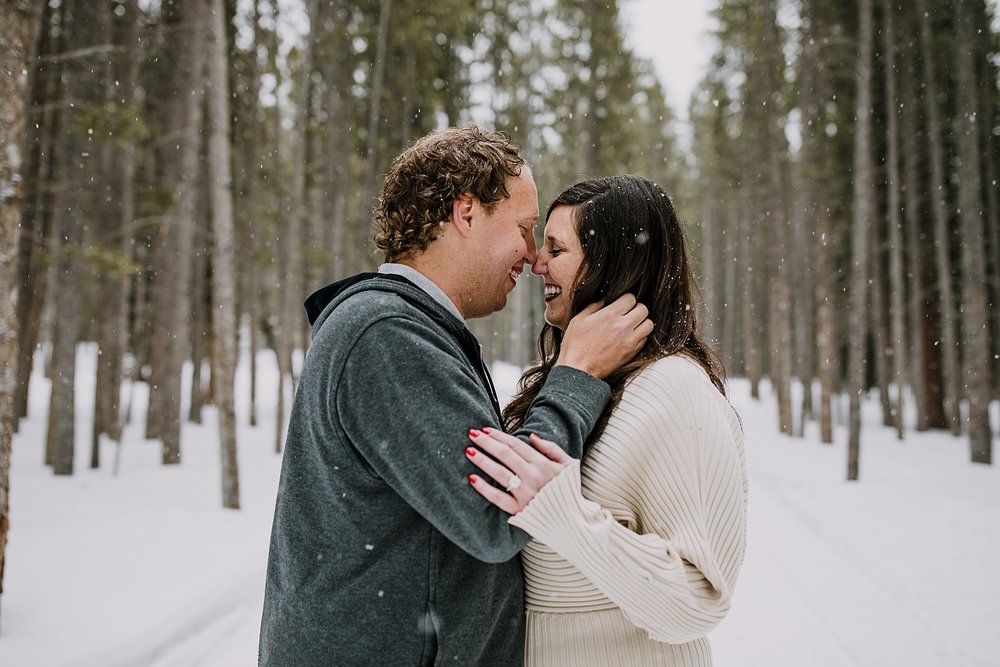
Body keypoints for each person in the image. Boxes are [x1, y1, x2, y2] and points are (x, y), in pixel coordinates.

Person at [258, 128, 653, 666]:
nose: (533, 255)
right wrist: (577, 373)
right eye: (523, 228)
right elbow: (494, 511)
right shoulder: (386, 335)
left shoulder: (404, 329)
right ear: (466, 213)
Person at [465, 175, 748, 666]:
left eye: (556, 249)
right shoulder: (584, 382)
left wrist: (565, 515)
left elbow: (697, 599)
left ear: (609, 264)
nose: (536, 263)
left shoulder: (675, 391)